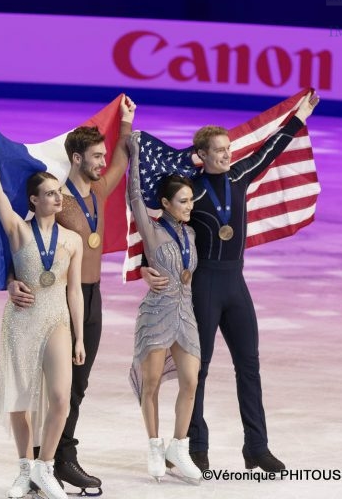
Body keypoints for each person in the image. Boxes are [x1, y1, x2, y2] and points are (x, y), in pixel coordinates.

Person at [142, 92, 320, 472]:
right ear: (201, 155)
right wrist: (145, 266)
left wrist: (299, 116)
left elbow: (270, 151)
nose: (226, 154)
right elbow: (162, 228)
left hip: (235, 283)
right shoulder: (190, 191)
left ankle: (256, 446)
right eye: (219, 150)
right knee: (198, 368)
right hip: (204, 284)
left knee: (249, 365)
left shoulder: (239, 176)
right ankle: (195, 446)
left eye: (227, 148)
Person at [7, 95, 135, 494]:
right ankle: (51, 458)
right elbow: (22, 238)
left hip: (93, 297)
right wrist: (12, 278)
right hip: (60, 299)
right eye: (94, 156)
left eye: (101, 155)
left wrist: (126, 124)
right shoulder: (56, 197)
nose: (101, 162)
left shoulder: (98, 191)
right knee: (53, 387)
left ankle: (59, 454)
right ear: (76, 158)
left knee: (78, 384)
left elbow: (120, 164)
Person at [0, 128, 86, 499]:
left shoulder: (72, 241)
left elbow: (74, 290)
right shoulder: (19, 232)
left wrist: (80, 336)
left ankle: (45, 467)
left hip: (57, 318)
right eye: (51, 194)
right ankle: (25, 467)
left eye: (59, 192)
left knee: (59, 397)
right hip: (22, 319)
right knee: (19, 398)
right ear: (34, 200)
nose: (58, 198)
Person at [126, 133, 202, 485]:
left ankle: (178, 446)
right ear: (167, 204)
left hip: (185, 314)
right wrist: (135, 154)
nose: (189, 206)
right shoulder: (152, 230)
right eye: (183, 201)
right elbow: (134, 197)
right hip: (156, 314)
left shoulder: (191, 235)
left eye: (190, 200)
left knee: (191, 380)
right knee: (152, 384)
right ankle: (154, 445)